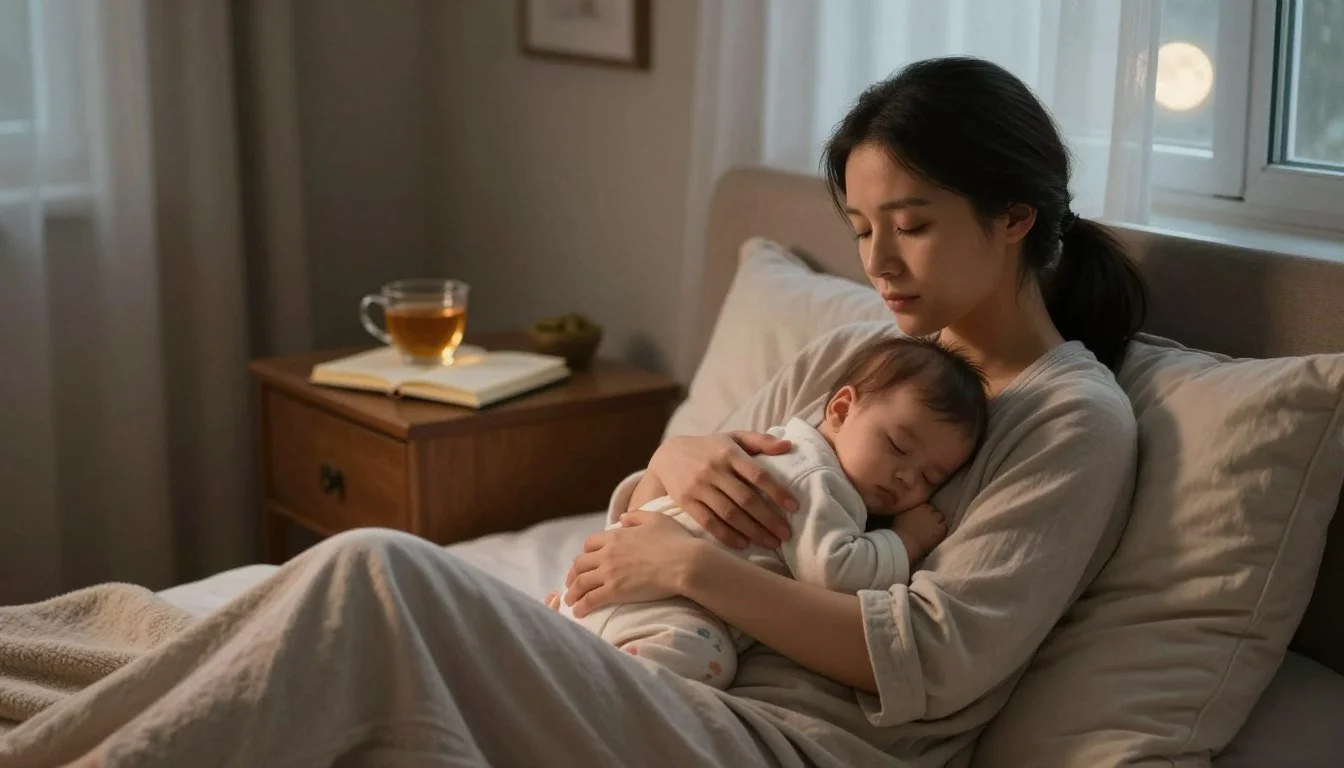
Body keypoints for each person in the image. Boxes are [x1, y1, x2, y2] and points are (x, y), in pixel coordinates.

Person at [34, 56, 1144, 768]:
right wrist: (679, 457)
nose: (878, 262)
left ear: (1013, 216)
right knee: (323, 611)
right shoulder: (860, 355)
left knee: (380, 572)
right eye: (860, 229)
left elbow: (934, 661)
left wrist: (694, 568)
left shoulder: (1073, 422)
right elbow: (648, 510)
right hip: (655, 659)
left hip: (788, 737)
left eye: (912, 224)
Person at [556, 336, 989, 690]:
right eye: (897, 446)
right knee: (705, 663)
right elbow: (836, 572)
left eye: (931, 477)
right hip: (663, 608)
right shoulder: (818, 478)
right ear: (841, 410)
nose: (907, 478)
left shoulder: (782, 446)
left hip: (606, 591)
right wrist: (905, 541)